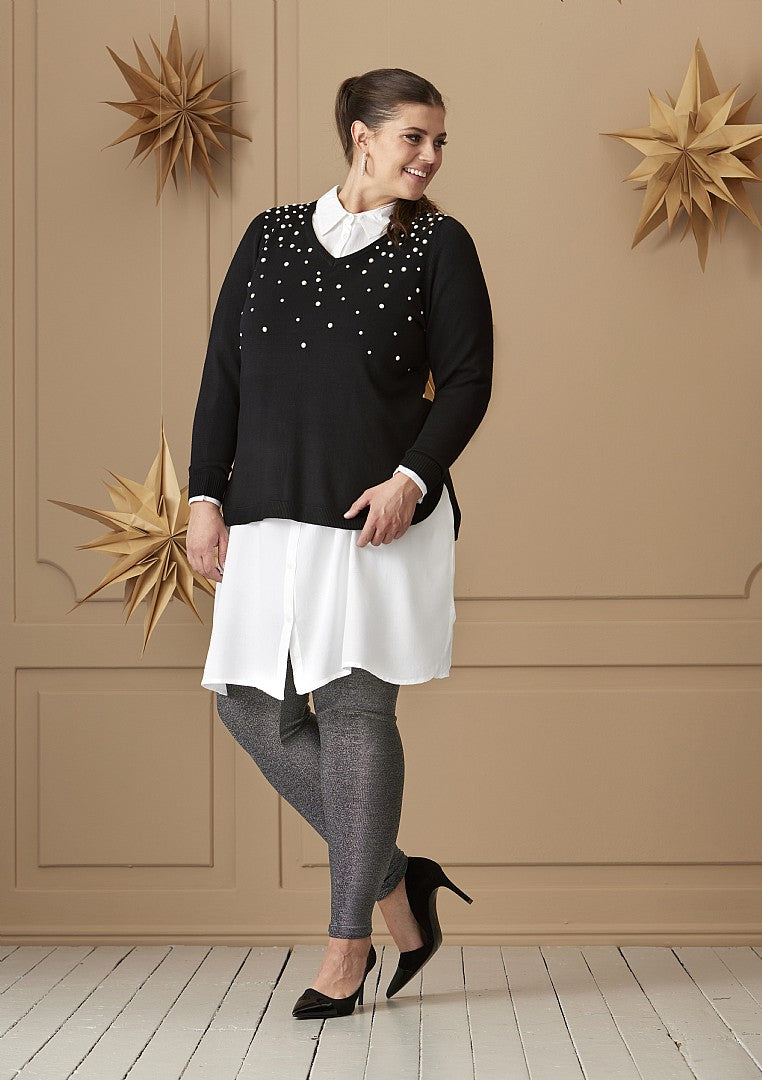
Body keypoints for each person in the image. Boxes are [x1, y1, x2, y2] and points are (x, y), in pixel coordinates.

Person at [186, 67, 493, 1019]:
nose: (430, 157)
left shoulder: (440, 244)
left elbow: (470, 379)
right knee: (252, 708)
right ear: (361, 135)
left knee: (358, 717)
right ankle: (398, 878)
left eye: (439, 141)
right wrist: (204, 494)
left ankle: (346, 943)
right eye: (413, 137)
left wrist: (412, 479)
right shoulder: (270, 234)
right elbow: (223, 373)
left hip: (374, 518)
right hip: (266, 512)